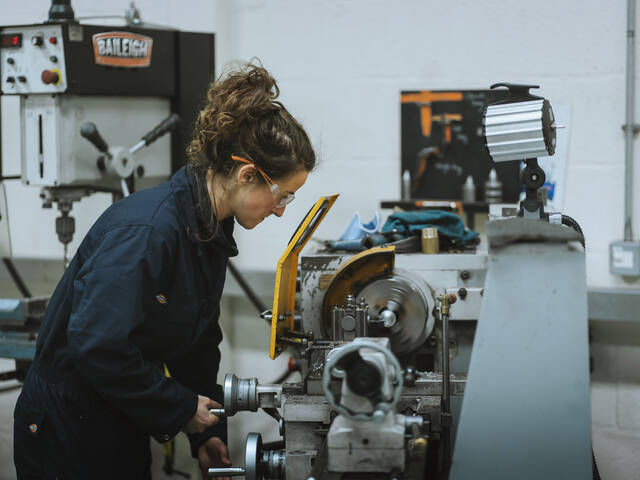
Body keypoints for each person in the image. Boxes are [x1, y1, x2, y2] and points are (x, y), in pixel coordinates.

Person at [13, 62, 315, 479]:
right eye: (283, 196)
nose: (281, 212)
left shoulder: (208, 226)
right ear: (247, 175)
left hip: (116, 415)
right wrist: (179, 408)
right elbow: (97, 344)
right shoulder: (150, 231)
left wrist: (206, 431)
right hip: (67, 426)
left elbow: (197, 342)